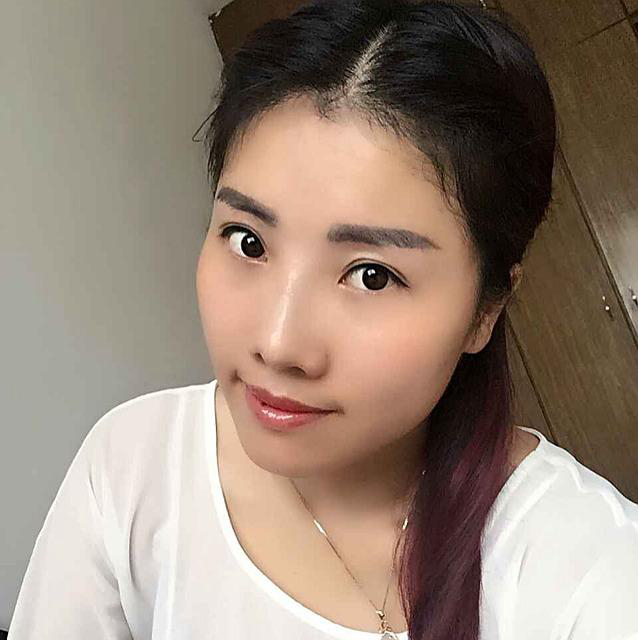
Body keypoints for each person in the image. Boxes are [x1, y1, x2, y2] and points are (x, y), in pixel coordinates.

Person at [8, 1, 638, 639]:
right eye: (248, 241)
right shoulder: (133, 470)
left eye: (372, 275)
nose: (278, 344)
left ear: (486, 310)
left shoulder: (589, 570)